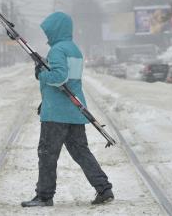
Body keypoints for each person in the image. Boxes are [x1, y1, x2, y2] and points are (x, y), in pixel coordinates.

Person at [21, 12, 113, 207]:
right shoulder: (74, 49)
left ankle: (44, 196)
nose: (47, 36)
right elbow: (70, 79)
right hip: (75, 111)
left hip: (56, 113)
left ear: (56, 30)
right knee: (81, 152)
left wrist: (41, 75)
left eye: (49, 32)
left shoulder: (57, 50)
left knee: (47, 154)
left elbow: (59, 77)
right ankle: (104, 188)